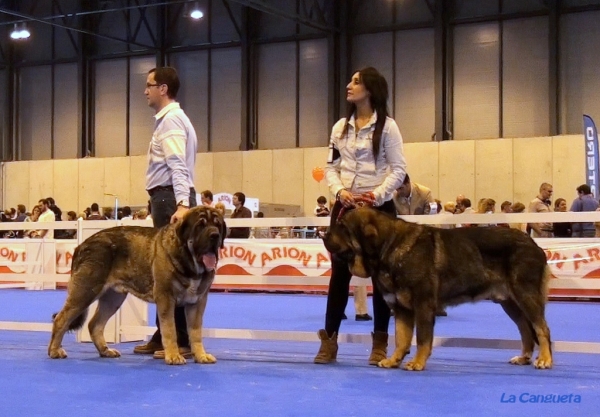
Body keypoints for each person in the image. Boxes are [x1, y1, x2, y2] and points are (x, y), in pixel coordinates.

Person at [315, 67, 407, 365]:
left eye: (356, 82)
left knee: (382, 279)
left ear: (371, 89)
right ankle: (329, 341)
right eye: (350, 80)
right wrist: (340, 191)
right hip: (345, 210)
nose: (349, 85)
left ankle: (379, 342)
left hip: (379, 212)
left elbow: (398, 169)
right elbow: (330, 168)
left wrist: (376, 195)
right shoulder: (339, 127)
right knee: (339, 276)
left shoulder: (389, 127)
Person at [133, 66, 198, 360]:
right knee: (164, 272)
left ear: (163, 89)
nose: (145, 90)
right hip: (167, 197)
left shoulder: (171, 122)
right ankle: (164, 335)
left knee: (171, 272)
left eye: (149, 85)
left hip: (170, 198)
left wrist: (182, 205)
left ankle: (180, 339)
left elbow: (177, 166)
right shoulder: (171, 120)